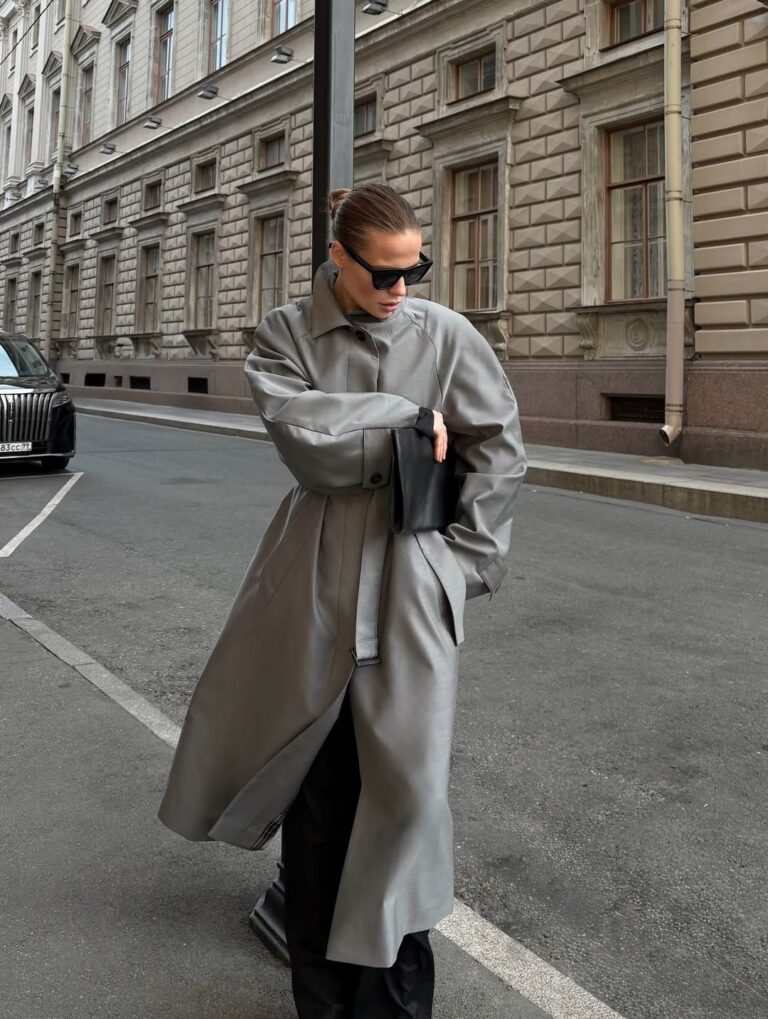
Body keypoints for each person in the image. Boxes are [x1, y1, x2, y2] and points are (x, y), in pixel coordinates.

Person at [157, 182, 527, 1018]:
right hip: (313, 587)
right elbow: (310, 443)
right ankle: (320, 1002)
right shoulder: (284, 336)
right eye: (384, 274)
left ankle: (394, 1006)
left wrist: (464, 564)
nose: (402, 290)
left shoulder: (449, 335)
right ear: (338, 257)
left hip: (411, 582)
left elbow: (499, 447)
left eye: (415, 270)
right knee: (320, 806)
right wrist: (413, 414)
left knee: (408, 797)